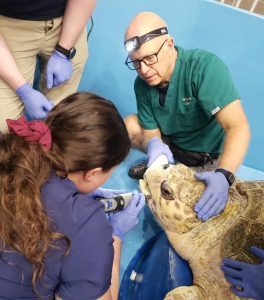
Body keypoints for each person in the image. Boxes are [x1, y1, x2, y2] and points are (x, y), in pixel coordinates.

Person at [0, 92, 145, 299]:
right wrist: (115, 237)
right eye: (109, 172)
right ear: (92, 173)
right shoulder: (87, 225)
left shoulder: (10, 153)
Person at [123, 12, 250, 221]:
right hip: (173, 150)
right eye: (136, 62)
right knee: (128, 126)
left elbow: (238, 127)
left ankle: (207, 176)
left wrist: (224, 175)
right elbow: (150, 130)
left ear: (170, 44)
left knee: (203, 216)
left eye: (149, 58)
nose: (144, 70)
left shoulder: (204, 68)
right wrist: (155, 145)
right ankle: (160, 165)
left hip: (209, 159)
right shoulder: (142, 84)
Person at [0, 0, 96, 132]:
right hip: (8, 20)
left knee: (61, 115)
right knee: (4, 129)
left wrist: (63, 52)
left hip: (67, 14)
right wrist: (23, 90)